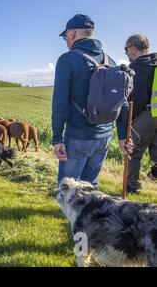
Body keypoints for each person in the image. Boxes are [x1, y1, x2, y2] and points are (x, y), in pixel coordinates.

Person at [52, 14, 133, 189]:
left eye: (65, 36)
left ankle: (72, 217)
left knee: (69, 191)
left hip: (77, 137)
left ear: (72, 34)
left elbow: (59, 103)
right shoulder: (110, 61)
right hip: (104, 138)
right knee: (90, 188)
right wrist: (122, 136)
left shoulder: (67, 60)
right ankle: (89, 217)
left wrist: (57, 138)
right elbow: (123, 101)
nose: (66, 40)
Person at [125, 34, 157, 193]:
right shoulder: (155, 62)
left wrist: (128, 121)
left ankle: (133, 187)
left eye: (126, 50)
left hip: (147, 114)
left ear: (133, 48)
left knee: (133, 151)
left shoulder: (137, 67)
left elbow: (136, 99)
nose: (127, 54)